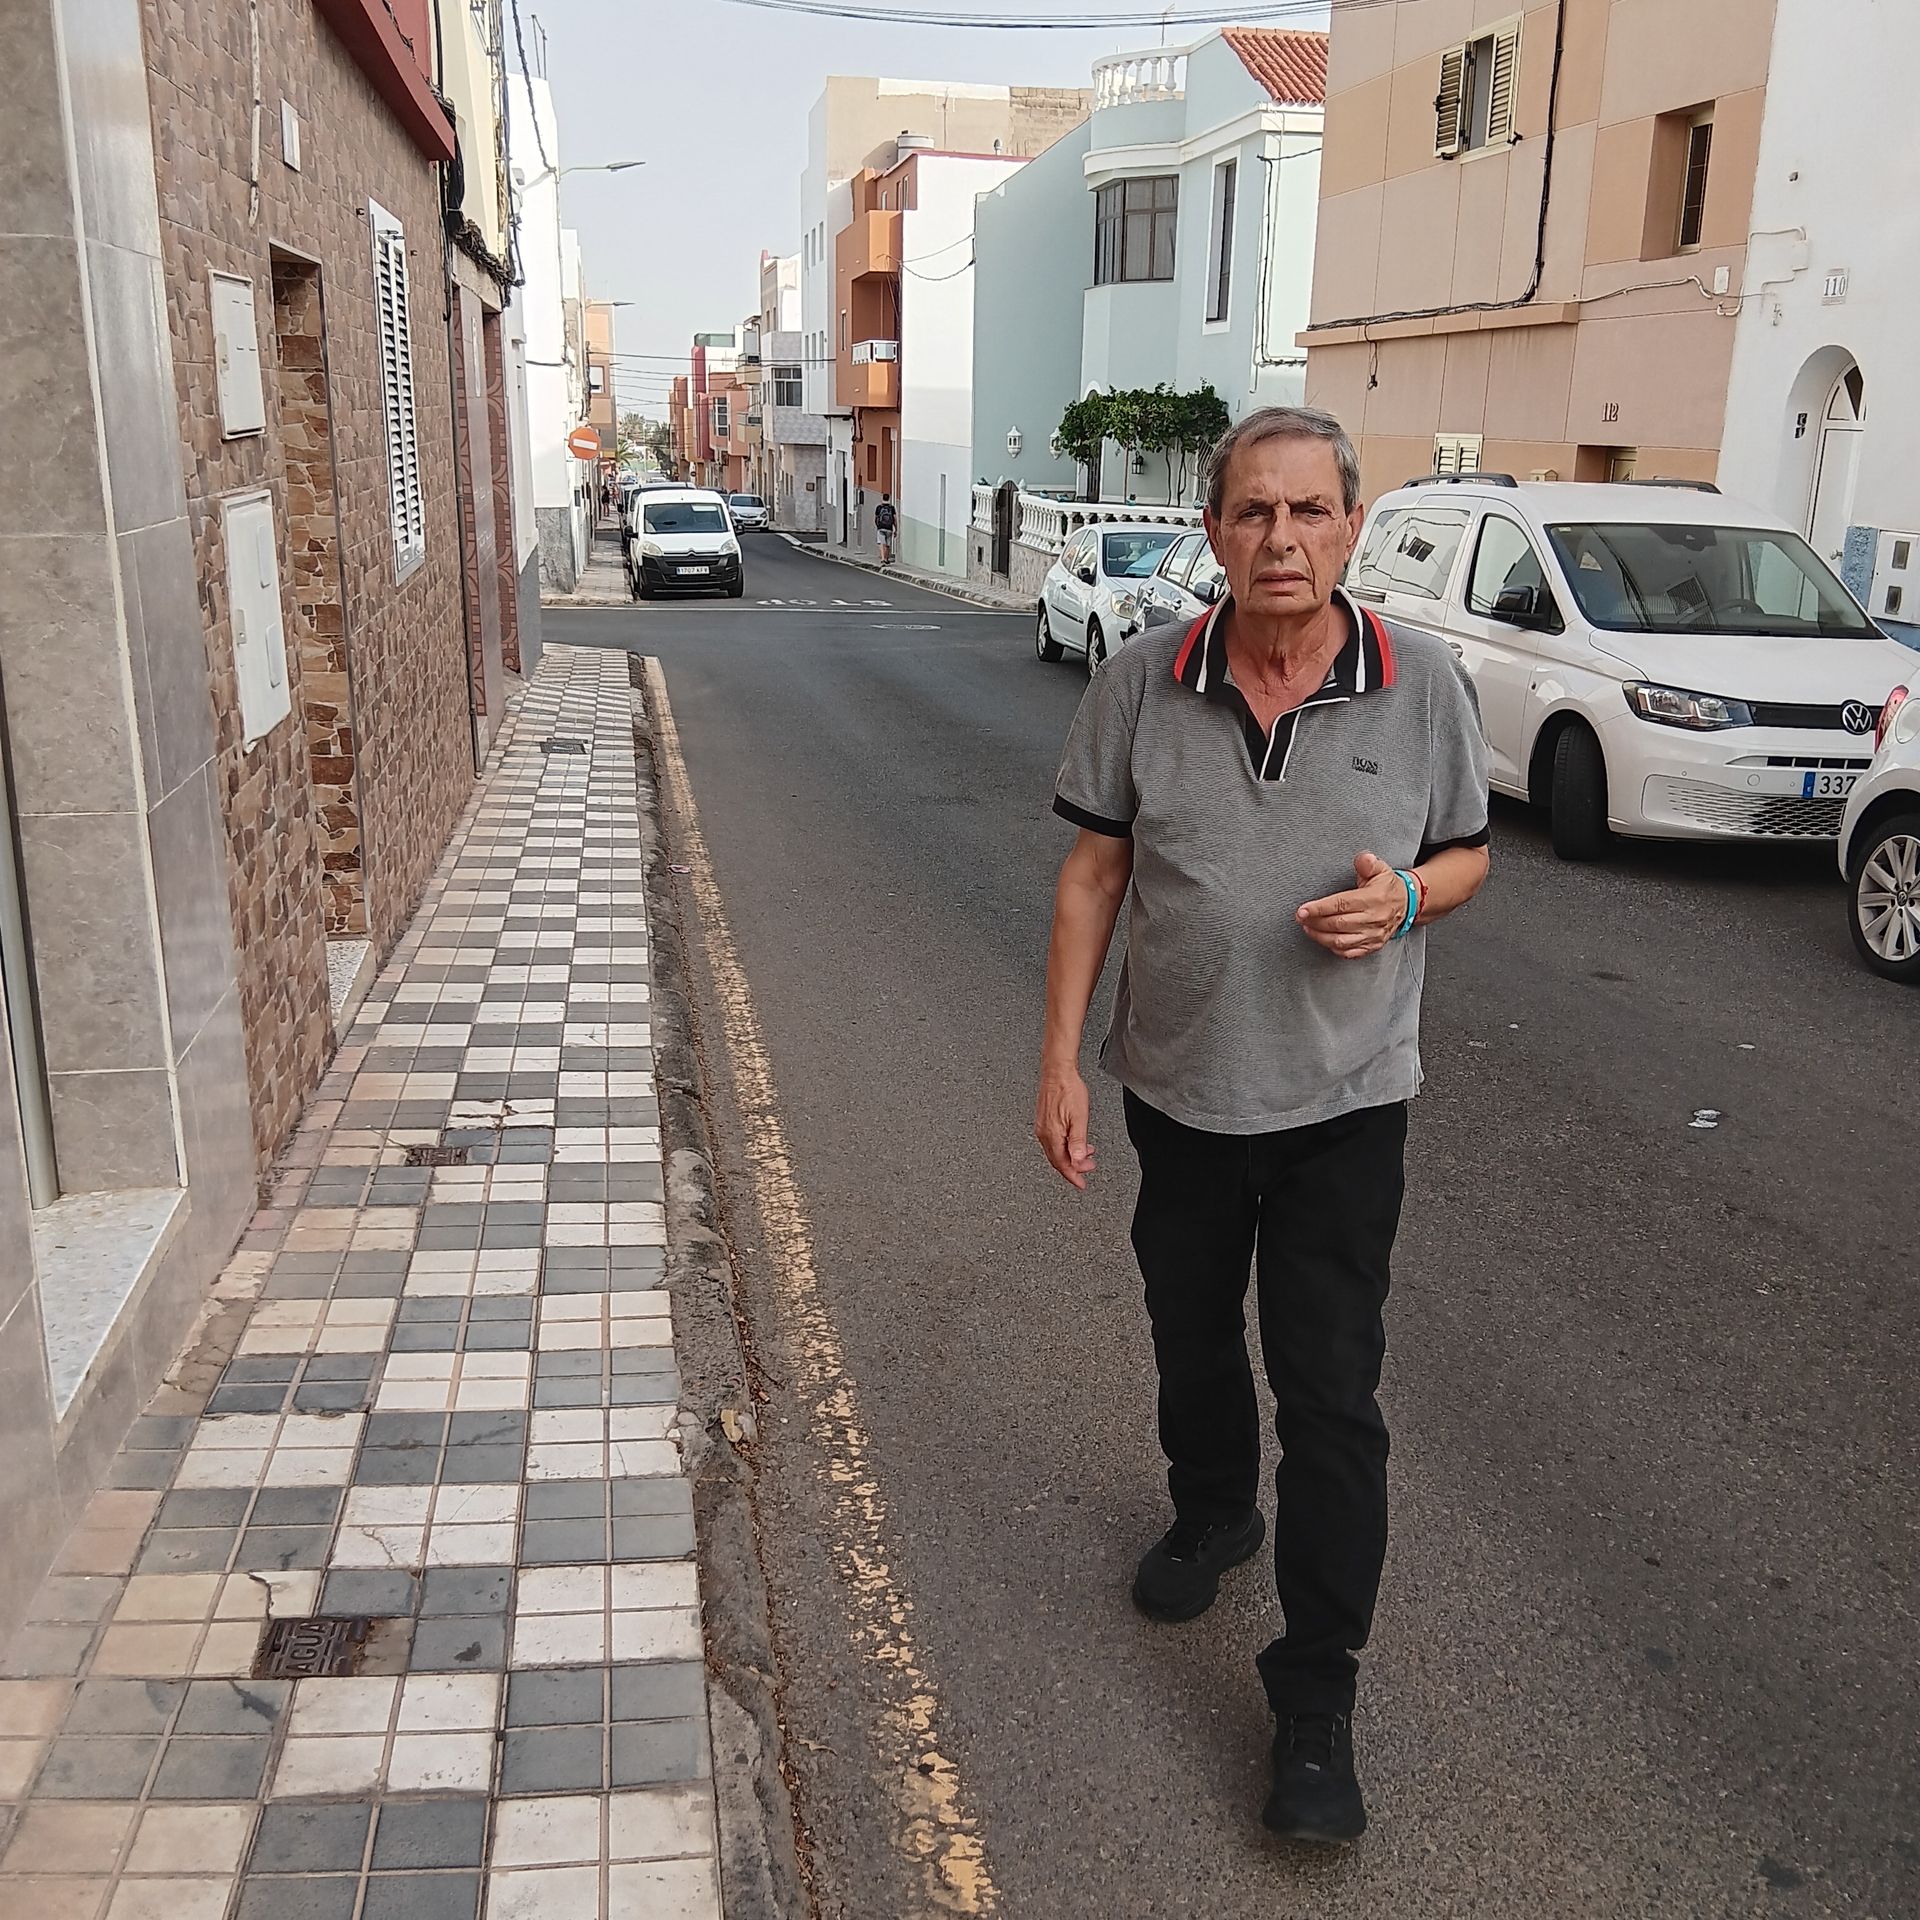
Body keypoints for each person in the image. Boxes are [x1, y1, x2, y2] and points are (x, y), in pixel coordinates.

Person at [1034, 406, 1490, 1847]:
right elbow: (1094, 878)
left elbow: (1467, 853)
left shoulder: (1423, 686)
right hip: (1178, 1093)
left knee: (1333, 1395)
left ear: (1350, 528)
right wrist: (1059, 1062)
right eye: (1253, 512)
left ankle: (1315, 1700)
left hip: (1345, 1108)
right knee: (1188, 1332)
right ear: (1214, 531)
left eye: (1308, 511)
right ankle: (1215, 1506)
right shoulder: (1140, 681)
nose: (1281, 538)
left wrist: (1406, 898)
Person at [873, 492, 897, 565]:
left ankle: (883, 559)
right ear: (889, 499)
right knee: (887, 544)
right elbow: (895, 519)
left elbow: (876, 518)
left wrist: (877, 525)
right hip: (889, 528)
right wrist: (896, 529)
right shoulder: (892, 508)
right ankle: (886, 559)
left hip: (881, 527)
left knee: (882, 543)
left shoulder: (879, 507)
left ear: (882, 498)